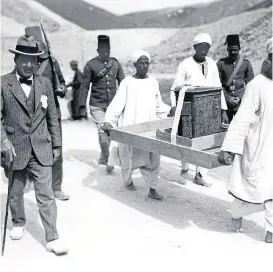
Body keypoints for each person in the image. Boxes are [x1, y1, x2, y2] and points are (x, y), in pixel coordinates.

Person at [1, 35, 68, 254]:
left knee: (46, 194)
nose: (29, 64)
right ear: (16, 60)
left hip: (41, 147)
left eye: (33, 60)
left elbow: (53, 117)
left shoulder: (45, 83)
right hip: (14, 148)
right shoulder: (3, 83)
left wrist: (57, 145)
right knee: (15, 191)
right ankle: (19, 221)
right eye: (24, 59)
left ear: (38, 62)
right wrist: (3, 141)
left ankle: (52, 236)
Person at [218, 38, 273, 244]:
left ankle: (270, 231)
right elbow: (241, 120)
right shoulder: (257, 85)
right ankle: (236, 212)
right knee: (252, 188)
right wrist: (228, 148)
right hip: (258, 146)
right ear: (270, 58)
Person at [101, 50, 169, 200]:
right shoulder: (127, 83)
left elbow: (159, 105)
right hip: (131, 127)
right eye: (142, 62)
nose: (145, 65)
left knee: (153, 159)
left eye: (147, 62)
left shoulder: (153, 82)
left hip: (150, 128)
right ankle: (128, 181)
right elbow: (117, 105)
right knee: (128, 158)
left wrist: (170, 111)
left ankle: (152, 189)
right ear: (135, 64)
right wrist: (109, 121)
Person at [169, 33, 229, 187]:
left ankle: (199, 174)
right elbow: (174, 88)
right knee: (188, 140)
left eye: (207, 46)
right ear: (195, 47)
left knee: (206, 142)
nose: (204, 49)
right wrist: (175, 107)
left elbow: (218, 87)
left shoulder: (212, 64)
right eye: (201, 46)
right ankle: (184, 168)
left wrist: (223, 108)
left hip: (209, 109)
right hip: (189, 110)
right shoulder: (185, 65)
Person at [25, 26, 69, 201]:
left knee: (56, 149)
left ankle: (56, 186)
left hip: (52, 114)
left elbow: (63, 85)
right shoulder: (25, 63)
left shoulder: (52, 62)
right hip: (30, 114)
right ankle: (30, 180)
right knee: (29, 149)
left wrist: (61, 89)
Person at [78, 35, 125, 173]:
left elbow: (123, 83)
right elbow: (84, 86)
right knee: (103, 132)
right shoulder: (91, 65)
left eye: (108, 50)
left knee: (109, 132)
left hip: (113, 105)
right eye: (103, 50)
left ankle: (103, 157)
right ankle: (109, 160)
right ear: (98, 50)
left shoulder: (115, 64)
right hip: (97, 105)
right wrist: (82, 106)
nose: (106, 53)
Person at [217, 34, 254, 122]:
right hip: (226, 106)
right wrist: (228, 99)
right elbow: (218, 85)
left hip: (242, 104)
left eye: (235, 50)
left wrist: (240, 97)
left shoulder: (246, 64)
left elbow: (251, 85)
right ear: (227, 50)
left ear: (239, 49)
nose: (233, 52)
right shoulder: (221, 64)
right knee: (226, 131)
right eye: (231, 50)